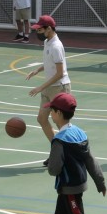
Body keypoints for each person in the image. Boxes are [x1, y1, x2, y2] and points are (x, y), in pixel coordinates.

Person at [25, 15, 72, 149]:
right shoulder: (47, 42)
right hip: (49, 86)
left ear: (49, 28)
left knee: (61, 124)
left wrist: (40, 87)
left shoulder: (56, 46)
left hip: (59, 88)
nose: (38, 33)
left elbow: (60, 73)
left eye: (40, 30)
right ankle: (57, 149)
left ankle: (69, 152)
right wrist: (38, 70)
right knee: (42, 119)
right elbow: (49, 62)